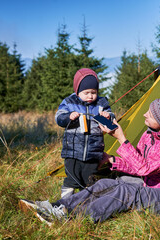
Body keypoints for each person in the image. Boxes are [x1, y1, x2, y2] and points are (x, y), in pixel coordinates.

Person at [20, 97, 160, 225]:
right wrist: (111, 160)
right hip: (150, 185)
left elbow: (143, 169)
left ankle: (76, 218)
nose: (145, 114)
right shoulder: (150, 134)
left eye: (152, 115)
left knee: (125, 191)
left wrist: (121, 138)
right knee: (106, 184)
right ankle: (56, 207)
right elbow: (137, 163)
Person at [55, 68, 115, 198]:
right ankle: (65, 202)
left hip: (94, 151)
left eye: (93, 92)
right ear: (77, 90)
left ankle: (85, 204)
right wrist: (68, 117)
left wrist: (107, 116)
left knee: (90, 181)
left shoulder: (101, 103)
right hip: (73, 151)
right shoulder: (69, 102)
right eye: (86, 92)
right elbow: (58, 118)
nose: (90, 96)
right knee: (72, 179)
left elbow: (111, 122)